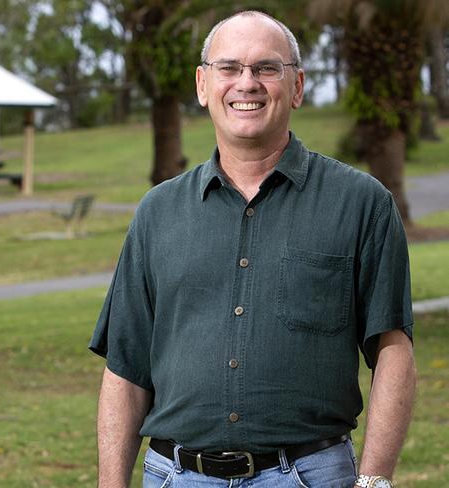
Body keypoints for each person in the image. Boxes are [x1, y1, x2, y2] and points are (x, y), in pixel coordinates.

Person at [89, 10, 416, 488]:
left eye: (267, 68)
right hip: (175, 477)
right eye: (229, 68)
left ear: (298, 86)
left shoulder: (362, 203)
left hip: (308, 476)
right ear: (203, 86)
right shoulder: (157, 212)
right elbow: (125, 368)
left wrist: (374, 481)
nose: (247, 83)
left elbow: (393, 351)